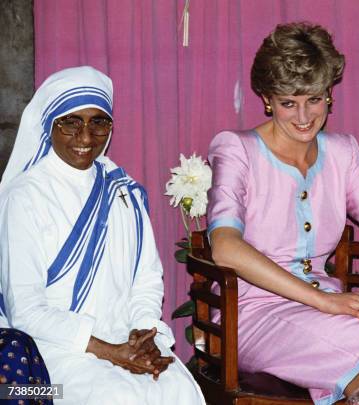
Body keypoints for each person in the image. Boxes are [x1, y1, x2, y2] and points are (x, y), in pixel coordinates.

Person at [206, 22, 359, 404]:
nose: (304, 116)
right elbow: (224, 248)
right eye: (289, 102)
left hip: (329, 311)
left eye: (315, 99)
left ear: (329, 94)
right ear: (267, 99)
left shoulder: (342, 153)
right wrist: (324, 301)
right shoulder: (237, 150)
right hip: (253, 315)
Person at [0, 66, 205, 404]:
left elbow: (147, 281)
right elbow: (26, 311)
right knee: (115, 397)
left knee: (177, 390)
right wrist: (111, 352)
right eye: (71, 122)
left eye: (98, 122)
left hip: (125, 340)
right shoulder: (24, 197)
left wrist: (143, 336)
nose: (85, 137)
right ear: (50, 123)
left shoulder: (123, 192)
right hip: (51, 359)